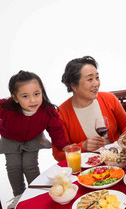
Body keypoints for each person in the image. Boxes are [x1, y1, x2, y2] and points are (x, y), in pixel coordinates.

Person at [0, 71, 69, 209]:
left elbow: (56, 130)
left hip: (33, 138)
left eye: (36, 94)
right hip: (10, 138)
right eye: (25, 96)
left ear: (41, 92)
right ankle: (19, 196)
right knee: (13, 166)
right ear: (15, 98)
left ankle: (36, 194)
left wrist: (63, 146)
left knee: (29, 165)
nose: (33, 100)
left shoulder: (47, 111)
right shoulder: (6, 107)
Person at [52, 56, 126, 162]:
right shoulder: (60, 114)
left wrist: (121, 143)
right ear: (74, 86)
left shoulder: (109, 99)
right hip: (87, 168)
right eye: (90, 79)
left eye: (97, 77)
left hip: (118, 160)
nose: (96, 83)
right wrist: (83, 146)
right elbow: (58, 154)